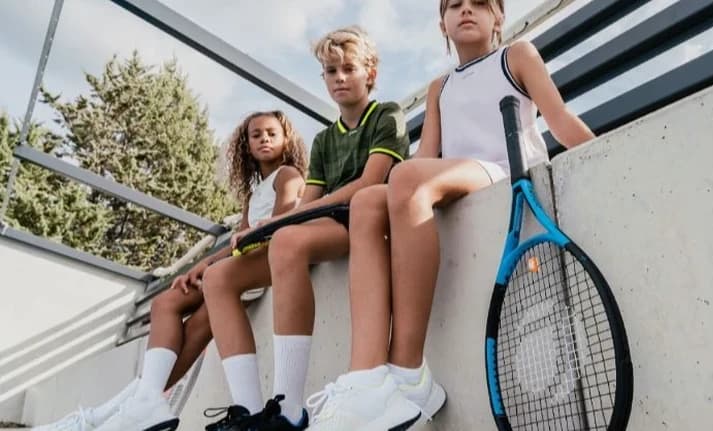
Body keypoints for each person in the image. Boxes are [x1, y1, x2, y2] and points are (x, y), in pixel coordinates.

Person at [306, 0, 597, 429]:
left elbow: (559, 118)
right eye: (455, 5)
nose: (466, 11)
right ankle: (367, 377)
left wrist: (603, 151)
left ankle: (408, 372)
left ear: (498, 17)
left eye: (479, 3)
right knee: (367, 202)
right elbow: (425, 158)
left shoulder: (517, 55)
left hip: (502, 170)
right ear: (442, 23)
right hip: (455, 178)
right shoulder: (439, 87)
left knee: (403, 178)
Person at [33, 109, 307, 431]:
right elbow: (238, 240)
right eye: (256, 134)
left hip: (256, 269)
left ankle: (103, 416)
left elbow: (277, 227)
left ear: (286, 138)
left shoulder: (288, 175)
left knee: (193, 332)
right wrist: (203, 264)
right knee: (165, 302)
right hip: (235, 265)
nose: (264, 139)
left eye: (272, 133)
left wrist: (221, 263)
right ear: (246, 144)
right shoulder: (253, 192)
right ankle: (136, 406)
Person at [201, 26, 410, 431]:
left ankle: (289, 409)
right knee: (217, 277)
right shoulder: (325, 139)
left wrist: (280, 222)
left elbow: (369, 183)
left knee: (286, 239)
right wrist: (264, 229)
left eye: (349, 69)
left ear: (370, 73)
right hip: (326, 225)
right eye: (331, 71)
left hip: (366, 221)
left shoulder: (387, 115)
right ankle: (248, 412)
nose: (339, 78)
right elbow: (309, 201)